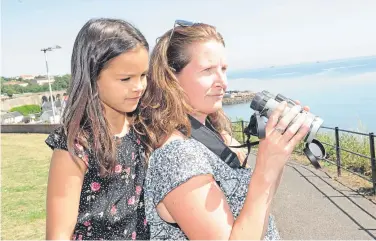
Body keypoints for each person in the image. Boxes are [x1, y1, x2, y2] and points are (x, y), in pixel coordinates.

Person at [138, 20, 314, 240]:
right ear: (170, 78)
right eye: (208, 70)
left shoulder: (212, 131)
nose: (223, 82)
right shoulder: (177, 156)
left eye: (223, 69)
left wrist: (280, 151)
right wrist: (265, 169)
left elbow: (257, 203)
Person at [45, 18, 150, 240]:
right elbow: (58, 234)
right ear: (92, 77)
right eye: (126, 78)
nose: (138, 86)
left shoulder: (140, 129)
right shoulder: (75, 145)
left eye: (143, 75)